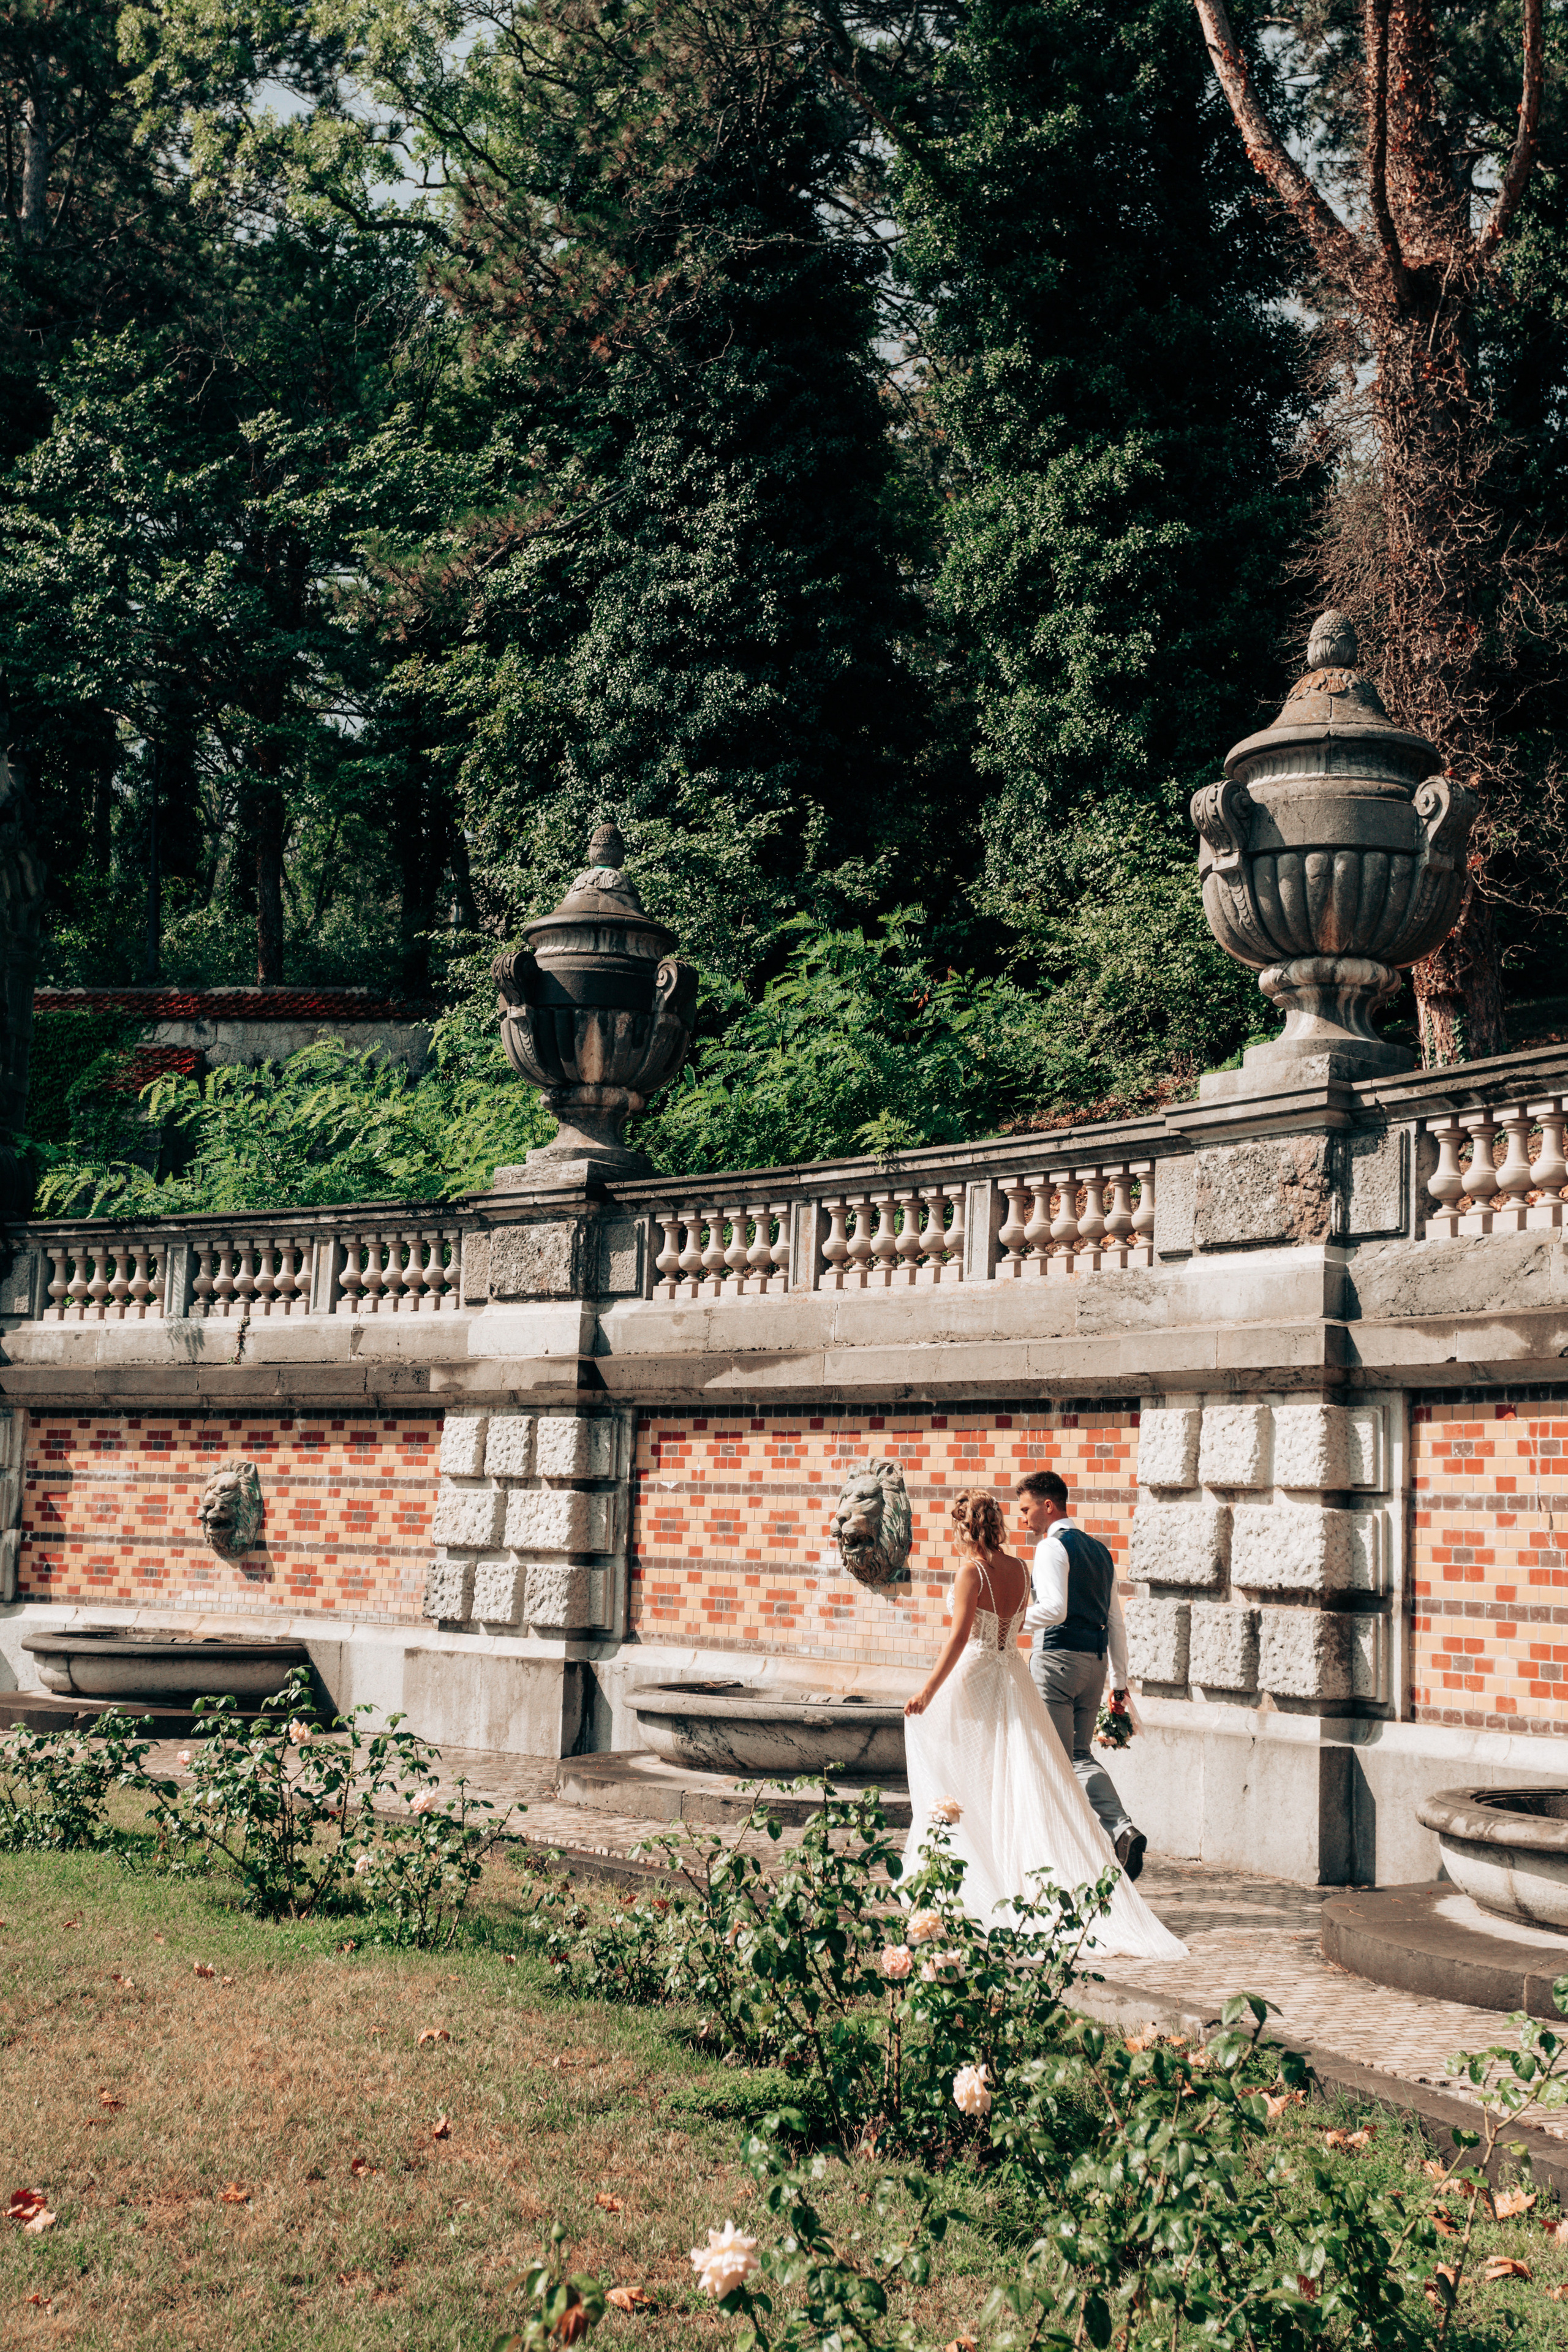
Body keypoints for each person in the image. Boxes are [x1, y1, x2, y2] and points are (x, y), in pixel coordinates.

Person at [902, 1490, 1185, 1961]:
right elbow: (1027, 1624)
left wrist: (928, 1690)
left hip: (976, 1676)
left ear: (963, 1528)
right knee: (1018, 1777)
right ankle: (1010, 1869)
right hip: (1014, 1675)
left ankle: (976, 1876)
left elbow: (958, 1637)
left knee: (961, 1773)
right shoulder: (1019, 1569)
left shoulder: (972, 1571)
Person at [1016, 1469, 1148, 1881]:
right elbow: (1116, 1622)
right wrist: (1119, 1683)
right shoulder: (1101, 1552)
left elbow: (1053, 1609)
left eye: (1025, 1509)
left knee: (1052, 1762)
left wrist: (1009, 1619)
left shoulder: (1053, 1547)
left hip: (1056, 1660)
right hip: (1095, 1664)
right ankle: (1121, 1829)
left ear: (1048, 1506)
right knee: (1077, 1757)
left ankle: (1056, 1861)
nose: (1022, 1519)